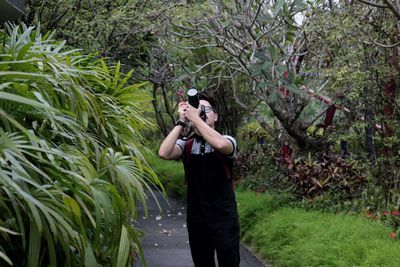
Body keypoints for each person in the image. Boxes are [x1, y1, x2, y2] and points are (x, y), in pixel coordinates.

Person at [158, 91, 240, 267]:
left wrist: (195, 118)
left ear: (216, 115)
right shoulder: (187, 144)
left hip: (224, 217)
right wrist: (182, 121)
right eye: (197, 108)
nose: (201, 112)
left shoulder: (227, 140)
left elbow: (219, 145)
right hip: (197, 218)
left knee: (229, 263)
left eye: (206, 109)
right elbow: (164, 152)